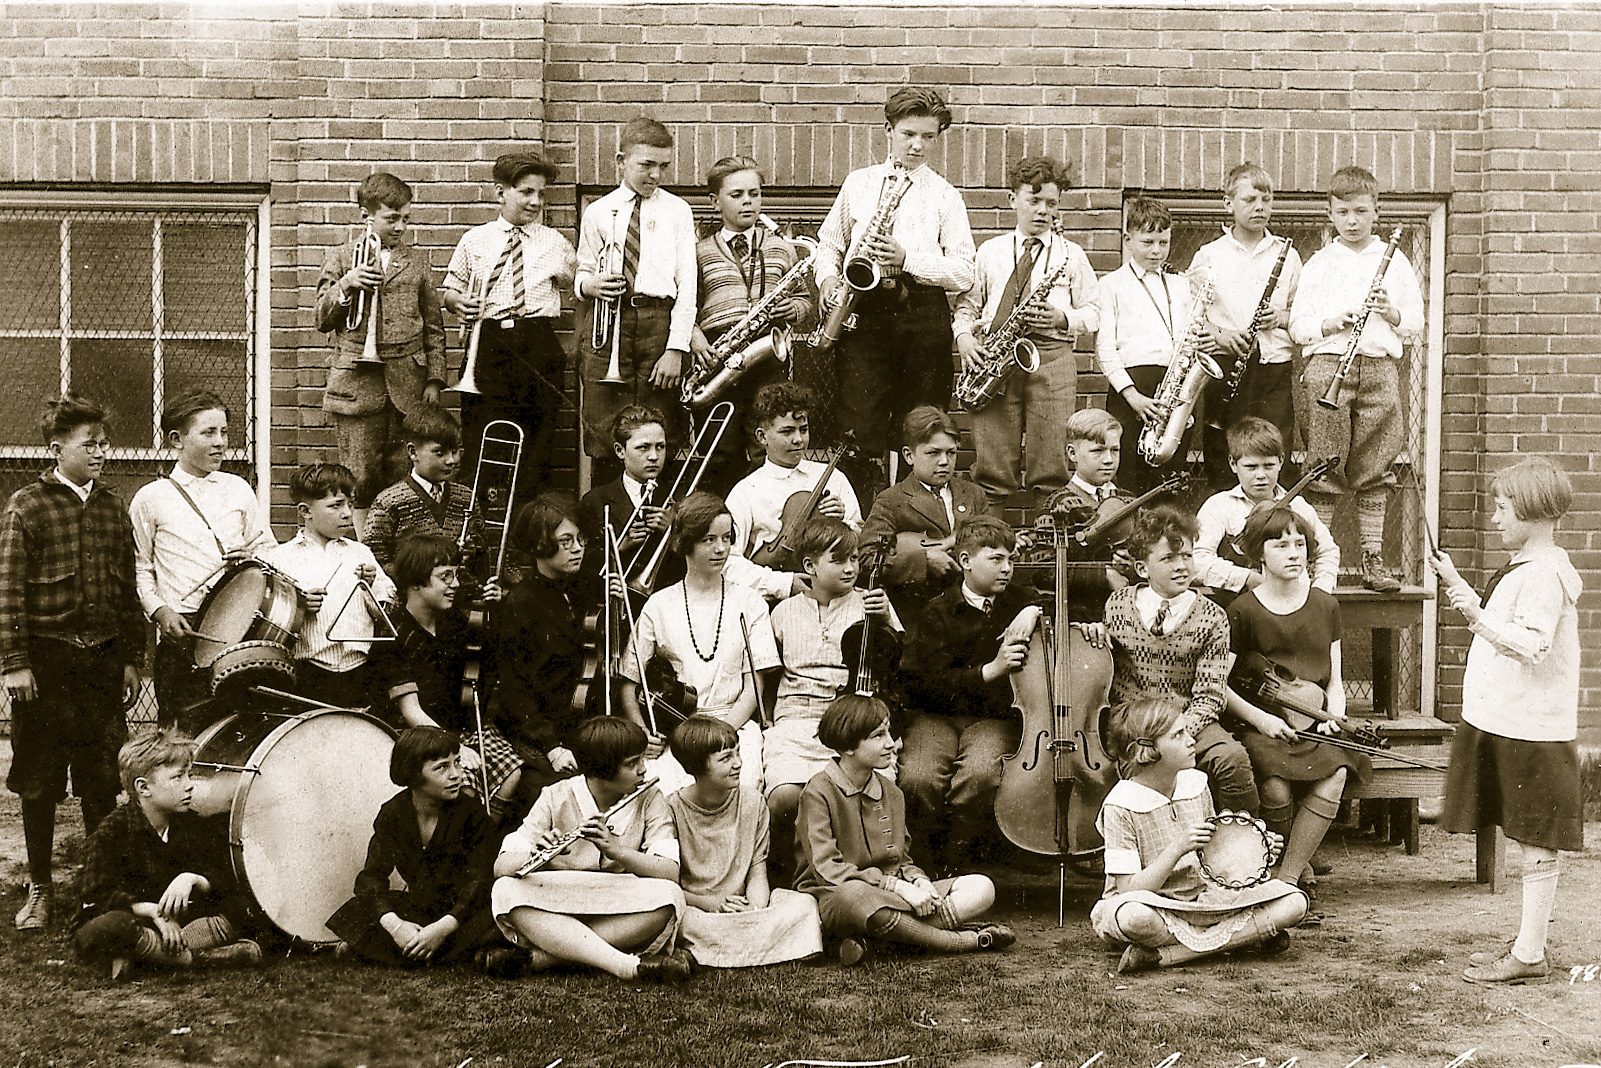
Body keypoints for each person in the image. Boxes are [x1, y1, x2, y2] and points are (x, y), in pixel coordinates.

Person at [1431, 456, 1582, 985]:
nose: (1494, 517)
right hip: (1506, 718)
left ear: (1532, 511)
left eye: (1502, 507)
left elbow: (1532, 646)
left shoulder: (1543, 574)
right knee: (1525, 833)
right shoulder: (1528, 564)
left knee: (1535, 835)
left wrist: (1476, 619)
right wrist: (1455, 582)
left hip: (1532, 726)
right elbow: (1499, 621)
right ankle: (1527, 942)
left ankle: (1531, 952)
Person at [2, 394, 144, 932]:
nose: (102, 453)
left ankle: (99, 887)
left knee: (101, 777)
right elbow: (7, 593)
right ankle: (40, 891)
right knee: (38, 781)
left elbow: (128, 592)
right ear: (58, 449)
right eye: (91, 445)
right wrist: (16, 663)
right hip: (45, 666)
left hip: (101, 665)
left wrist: (130, 659)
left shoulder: (111, 506)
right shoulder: (27, 508)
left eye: (105, 444)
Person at [814, 85, 975, 494]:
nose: (918, 146)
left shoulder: (945, 195)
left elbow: (964, 273)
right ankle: (857, 523)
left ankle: (915, 522)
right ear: (888, 130)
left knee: (920, 422)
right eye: (909, 134)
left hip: (921, 315)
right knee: (858, 421)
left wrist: (909, 260)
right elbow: (829, 245)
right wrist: (830, 281)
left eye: (928, 137)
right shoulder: (859, 183)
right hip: (864, 309)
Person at [1090, 697, 1307, 974]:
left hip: (1205, 901)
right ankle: (1246, 936)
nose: (1191, 739)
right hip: (1154, 904)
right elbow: (1129, 890)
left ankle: (1166, 955)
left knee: (1295, 901)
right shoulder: (1120, 805)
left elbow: (1214, 863)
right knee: (1132, 917)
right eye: (1178, 735)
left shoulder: (1195, 784)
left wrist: (1256, 852)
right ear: (1148, 752)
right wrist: (1178, 848)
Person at [794, 694, 1013, 966]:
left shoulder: (892, 793)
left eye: (889, 731)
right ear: (849, 745)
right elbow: (827, 869)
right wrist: (896, 886)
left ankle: (883, 941)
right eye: (878, 736)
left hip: (893, 897)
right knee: (856, 898)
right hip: (838, 895)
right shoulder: (817, 792)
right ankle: (964, 940)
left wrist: (918, 881)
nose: (891, 743)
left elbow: (902, 859)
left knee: (981, 887)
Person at [1289, 165, 1425, 592]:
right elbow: (1298, 327)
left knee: (1376, 463)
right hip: (1329, 363)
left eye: (1360, 211)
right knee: (1324, 465)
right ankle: (1320, 559)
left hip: (1379, 367)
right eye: (1343, 211)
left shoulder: (1395, 260)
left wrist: (1390, 311)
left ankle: (1372, 558)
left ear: (1376, 213)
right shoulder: (1319, 263)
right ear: (1330, 214)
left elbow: (1415, 323)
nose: (1352, 220)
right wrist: (1332, 323)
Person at [1223, 507, 1368, 901]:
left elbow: (1336, 682)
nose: (1293, 553)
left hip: (1314, 721)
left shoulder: (1326, 606)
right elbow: (1220, 685)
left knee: (1335, 773)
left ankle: (1285, 883)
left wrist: (1333, 718)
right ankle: (1296, 865)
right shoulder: (1243, 610)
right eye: (1280, 544)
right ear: (1259, 554)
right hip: (1263, 724)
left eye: (1299, 544)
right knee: (1274, 788)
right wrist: (1261, 720)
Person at [491, 716, 693, 983]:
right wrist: (537, 855)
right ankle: (625, 965)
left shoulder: (650, 797)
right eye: (632, 764)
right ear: (601, 770)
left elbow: (669, 872)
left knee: (670, 896)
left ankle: (547, 957)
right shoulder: (555, 795)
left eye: (641, 760)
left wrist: (617, 850)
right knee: (505, 890)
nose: (643, 770)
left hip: (617, 899)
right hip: (562, 897)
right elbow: (500, 868)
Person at [130, 388, 276, 733]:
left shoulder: (238, 488)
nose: (221, 442)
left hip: (239, 625)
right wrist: (160, 611)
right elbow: (140, 567)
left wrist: (252, 557)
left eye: (224, 432)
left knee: (237, 727)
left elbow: (269, 549)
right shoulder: (151, 498)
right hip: (184, 628)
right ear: (176, 439)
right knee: (180, 730)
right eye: (208, 433)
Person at [954, 155, 1099, 502]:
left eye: (1051, 203)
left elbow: (1095, 312)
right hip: (995, 356)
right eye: (1033, 200)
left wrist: (1063, 319)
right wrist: (963, 338)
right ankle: (989, 547)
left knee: (1052, 463)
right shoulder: (990, 252)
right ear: (1012, 199)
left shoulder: (1071, 254)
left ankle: (1050, 549)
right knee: (992, 463)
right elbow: (967, 305)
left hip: (1051, 359)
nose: (1042, 211)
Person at [899, 514, 1036, 867]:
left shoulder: (1019, 600)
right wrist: (991, 671)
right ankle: (925, 862)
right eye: (996, 559)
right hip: (937, 716)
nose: (1007, 568)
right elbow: (922, 684)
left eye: (1011, 559)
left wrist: (1034, 611)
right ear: (965, 562)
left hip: (991, 719)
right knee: (918, 778)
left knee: (981, 775)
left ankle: (959, 859)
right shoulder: (937, 611)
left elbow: (1062, 608)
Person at [619, 492, 777, 794]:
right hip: (675, 732)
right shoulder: (659, 605)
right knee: (662, 793)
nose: (721, 549)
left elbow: (753, 687)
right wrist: (642, 732)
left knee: (739, 789)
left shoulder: (750, 602)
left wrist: (720, 735)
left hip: (733, 729)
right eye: (709, 539)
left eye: (727, 538)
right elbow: (629, 682)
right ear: (685, 542)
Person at [327, 726, 520, 975]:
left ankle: (400, 950)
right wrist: (396, 926)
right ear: (413, 774)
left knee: (498, 916)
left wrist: (442, 928)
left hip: (463, 912)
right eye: (442, 767)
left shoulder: (471, 813)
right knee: (358, 908)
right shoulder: (393, 813)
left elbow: (479, 881)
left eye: (457, 763)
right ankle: (434, 949)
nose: (456, 775)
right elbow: (371, 877)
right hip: (421, 907)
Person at [1102, 506, 1257, 816]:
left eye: (1186, 556)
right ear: (1142, 568)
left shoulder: (1212, 617)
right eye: (1168, 559)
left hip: (1188, 720)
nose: (1182, 566)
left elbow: (1211, 696)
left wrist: (1177, 730)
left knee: (1232, 760)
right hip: (1134, 722)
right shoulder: (1118, 605)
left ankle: (1243, 848)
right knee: (1136, 766)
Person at [73, 729, 264, 979]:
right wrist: (153, 911)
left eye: (189, 774)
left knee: (250, 908)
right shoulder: (112, 832)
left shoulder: (190, 823)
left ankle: (149, 954)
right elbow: (97, 893)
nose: (189, 785)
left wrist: (192, 879)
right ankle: (196, 959)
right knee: (107, 927)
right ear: (143, 788)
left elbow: (220, 875)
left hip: (184, 920)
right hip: (139, 919)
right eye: (177, 777)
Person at [314, 172, 448, 530]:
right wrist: (346, 284)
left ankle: (403, 549)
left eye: (406, 218)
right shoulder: (341, 258)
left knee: (406, 474)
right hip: (358, 386)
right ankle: (364, 551)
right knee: (360, 479)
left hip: (409, 388)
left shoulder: (417, 263)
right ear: (366, 216)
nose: (401, 227)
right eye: (392, 218)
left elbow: (434, 328)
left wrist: (434, 381)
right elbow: (321, 319)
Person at [764, 517, 902, 862]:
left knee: (876, 790)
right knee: (783, 796)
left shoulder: (870, 604)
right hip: (796, 720)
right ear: (809, 566)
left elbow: (899, 660)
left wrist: (885, 619)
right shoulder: (783, 612)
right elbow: (768, 676)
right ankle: (798, 869)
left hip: (851, 721)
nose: (850, 569)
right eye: (838, 560)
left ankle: (860, 866)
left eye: (854, 559)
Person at [440, 152, 576, 496]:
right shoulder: (476, 240)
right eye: (526, 192)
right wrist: (460, 303)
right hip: (489, 344)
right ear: (501, 193)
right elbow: (449, 291)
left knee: (538, 445)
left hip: (539, 343)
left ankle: (526, 538)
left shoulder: (555, 243)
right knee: (481, 442)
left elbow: (580, 289)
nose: (536, 201)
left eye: (541, 194)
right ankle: (477, 535)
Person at [367, 535, 525, 822]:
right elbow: (410, 710)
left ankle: (487, 828)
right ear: (415, 583)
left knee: (512, 773)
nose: (455, 584)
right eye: (445, 577)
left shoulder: (454, 623)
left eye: (456, 575)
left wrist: (495, 609)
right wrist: (455, 747)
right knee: (463, 788)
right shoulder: (392, 634)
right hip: (418, 736)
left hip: (458, 727)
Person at [576, 116, 698, 469]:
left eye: (663, 166)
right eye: (646, 164)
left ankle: (656, 518)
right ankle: (607, 514)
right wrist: (588, 285)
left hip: (658, 323)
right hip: (608, 321)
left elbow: (687, 283)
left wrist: (676, 348)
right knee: (605, 425)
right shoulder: (598, 212)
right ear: (621, 161)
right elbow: (582, 271)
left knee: (660, 426)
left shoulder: (678, 210)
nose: (655, 175)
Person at [689, 156, 814, 493]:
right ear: (715, 201)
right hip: (718, 356)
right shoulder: (698, 252)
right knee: (719, 447)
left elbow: (805, 300)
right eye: (737, 194)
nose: (748, 201)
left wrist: (794, 309)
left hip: (766, 355)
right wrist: (696, 338)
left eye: (754, 193)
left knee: (766, 446)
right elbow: (685, 305)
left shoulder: (782, 248)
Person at [665, 716, 823, 968]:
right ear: (696, 766)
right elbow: (669, 885)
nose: (738, 764)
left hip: (743, 906)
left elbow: (756, 869)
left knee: (803, 904)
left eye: (737, 753)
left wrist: (755, 908)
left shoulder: (753, 801)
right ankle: (768, 948)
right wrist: (711, 904)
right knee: (682, 919)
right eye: (725, 759)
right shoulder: (671, 808)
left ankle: (709, 954)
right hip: (700, 908)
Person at [1189, 162, 1302, 490]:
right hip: (1227, 367)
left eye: (1266, 200)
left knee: (1271, 455)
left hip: (1273, 369)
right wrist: (1221, 336)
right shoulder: (1209, 255)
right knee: (1226, 457)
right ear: (1229, 204)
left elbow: (1305, 314)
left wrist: (1280, 318)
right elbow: (1190, 318)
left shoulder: (1287, 254)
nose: (1260, 207)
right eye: (1250, 199)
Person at [486, 494, 598, 806]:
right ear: (539, 545)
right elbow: (514, 688)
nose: (577, 548)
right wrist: (551, 747)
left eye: (580, 539)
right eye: (566, 541)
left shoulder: (590, 586)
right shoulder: (519, 604)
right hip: (541, 732)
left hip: (587, 723)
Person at [260, 463, 396, 710]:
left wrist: (371, 587)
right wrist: (299, 607)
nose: (347, 513)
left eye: (350, 504)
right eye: (336, 505)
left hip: (360, 672)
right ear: (305, 511)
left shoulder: (360, 553)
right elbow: (270, 629)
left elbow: (387, 615)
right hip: (310, 674)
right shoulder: (280, 559)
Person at [1093, 197, 1205, 494]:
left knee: (1170, 477)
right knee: (1129, 473)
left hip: (1174, 384)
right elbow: (1104, 349)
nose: (1157, 250)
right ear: (1128, 240)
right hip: (1132, 388)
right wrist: (1133, 396)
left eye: (1164, 242)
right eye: (1148, 242)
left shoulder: (1180, 284)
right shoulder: (1111, 285)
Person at [725, 382, 863, 602]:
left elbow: (860, 543)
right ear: (762, 437)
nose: (798, 439)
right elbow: (728, 561)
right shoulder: (745, 491)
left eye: (803, 430)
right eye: (787, 431)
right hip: (772, 598)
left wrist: (843, 525)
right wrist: (783, 584)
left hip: (832, 594)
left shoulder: (833, 477)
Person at [1193, 417, 1338, 609]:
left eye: (1269, 466)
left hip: (1293, 604)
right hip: (1236, 605)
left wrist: (1320, 592)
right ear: (1233, 464)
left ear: (1281, 462)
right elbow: (1197, 558)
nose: (1261, 475)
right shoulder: (1219, 506)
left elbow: (1328, 551)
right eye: (1251, 467)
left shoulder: (1298, 505)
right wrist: (1246, 577)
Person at [862, 406, 990, 618]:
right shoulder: (892, 500)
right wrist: (924, 561)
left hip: (970, 612)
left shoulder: (974, 495)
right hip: (918, 612)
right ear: (909, 455)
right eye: (933, 453)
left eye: (951, 453)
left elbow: (990, 544)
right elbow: (866, 559)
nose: (944, 462)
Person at [577, 404, 670, 579]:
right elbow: (582, 566)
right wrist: (619, 547)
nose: (654, 456)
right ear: (620, 451)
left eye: (660, 447)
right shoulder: (595, 501)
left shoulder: (680, 497)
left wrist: (673, 531)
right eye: (643, 447)